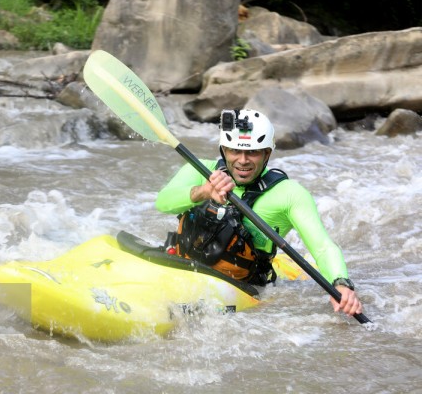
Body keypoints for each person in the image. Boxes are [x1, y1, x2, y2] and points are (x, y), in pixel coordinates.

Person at [155, 108, 363, 317]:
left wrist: (341, 283)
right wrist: (204, 192)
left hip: (242, 286)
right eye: (235, 151)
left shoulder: (289, 194)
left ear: (267, 154)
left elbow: (322, 246)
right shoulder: (200, 171)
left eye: (252, 152)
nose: (243, 160)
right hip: (181, 265)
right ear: (223, 150)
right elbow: (162, 202)